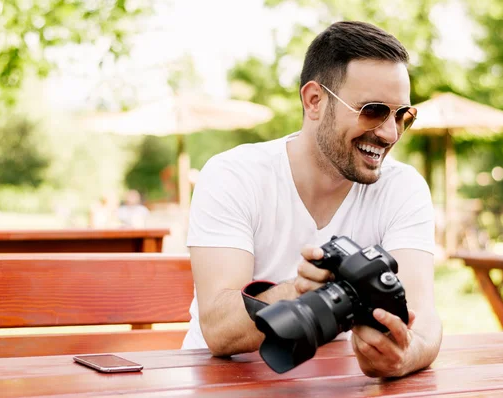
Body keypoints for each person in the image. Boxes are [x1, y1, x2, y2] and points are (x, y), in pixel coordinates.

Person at [182, 21, 442, 378]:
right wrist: (301, 291)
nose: (389, 132)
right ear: (314, 101)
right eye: (373, 110)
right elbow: (217, 328)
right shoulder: (234, 174)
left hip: (336, 383)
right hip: (223, 381)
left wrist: (404, 355)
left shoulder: (403, 188)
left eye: (403, 116)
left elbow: (423, 320)